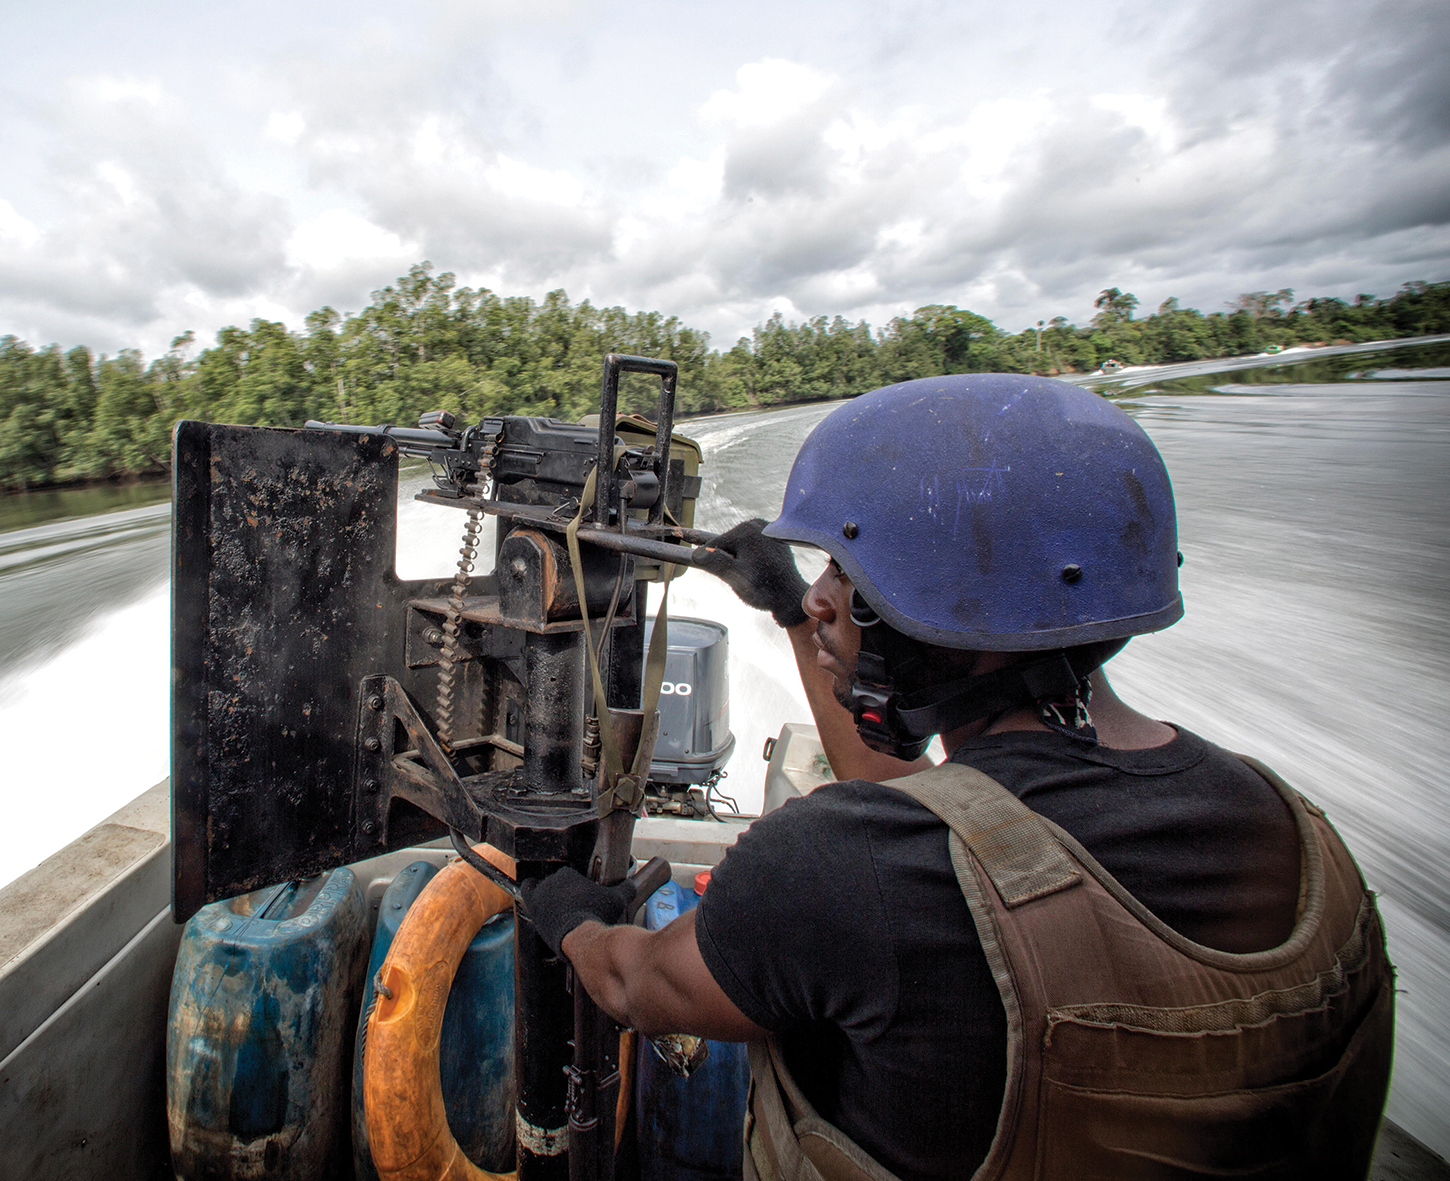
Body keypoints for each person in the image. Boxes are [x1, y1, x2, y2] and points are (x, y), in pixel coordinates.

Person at [522, 374, 1395, 1180]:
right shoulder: (1301, 836)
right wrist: (792, 613)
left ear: (953, 603)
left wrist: (575, 919)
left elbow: (639, 986)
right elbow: (949, 812)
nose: (822, 596)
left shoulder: (841, 866)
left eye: (846, 573)